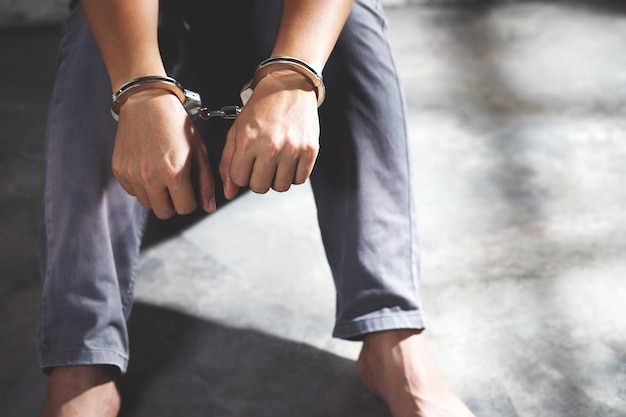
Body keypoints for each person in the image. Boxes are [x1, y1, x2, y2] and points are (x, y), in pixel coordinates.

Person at [36, 0, 476, 416]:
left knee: (349, 21)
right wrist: (139, 91)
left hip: (275, 84)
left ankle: (394, 343)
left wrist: (294, 76)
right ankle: (80, 363)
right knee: (102, 39)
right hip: (158, 89)